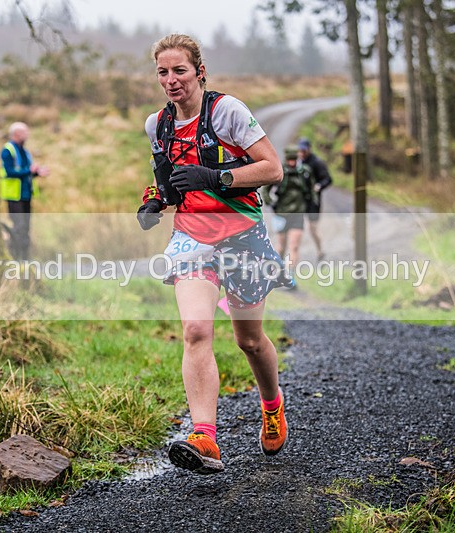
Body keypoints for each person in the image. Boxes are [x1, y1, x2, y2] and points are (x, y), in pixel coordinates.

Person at [136, 34, 292, 475]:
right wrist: (154, 202)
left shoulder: (226, 112)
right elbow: (167, 181)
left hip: (241, 233)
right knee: (196, 330)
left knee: (249, 340)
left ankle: (272, 405)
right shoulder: (158, 125)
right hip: (191, 237)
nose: (171, 80)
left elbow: (272, 168)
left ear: (199, 72)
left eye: (179, 71)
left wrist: (215, 176)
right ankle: (204, 437)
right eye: (163, 72)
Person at [0, 122, 48, 260]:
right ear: (16, 133)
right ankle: (14, 257)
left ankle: (25, 259)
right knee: (18, 227)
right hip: (14, 195)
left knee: (26, 228)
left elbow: (26, 172)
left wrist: (37, 172)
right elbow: (9, 172)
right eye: (24, 132)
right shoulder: (8, 150)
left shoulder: (25, 151)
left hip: (26, 194)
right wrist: (29, 170)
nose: (27, 135)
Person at [263, 144, 313, 272]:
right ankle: (277, 272)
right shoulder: (279, 171)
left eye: (294, 160)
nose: (292, 162)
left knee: (294, 247)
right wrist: (270, 202)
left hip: (298, 214)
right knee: (281, 247)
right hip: (281, 213)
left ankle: (289, 275)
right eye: (290, 160)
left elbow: (312, 191)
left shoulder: (304, 172)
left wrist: (311, 206)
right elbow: (266, 190)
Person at [297, 137, 332, 262]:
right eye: (300, 151)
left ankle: (320, 251)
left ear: (309, 149)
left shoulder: (317, 163)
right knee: (296, 228)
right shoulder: (299, 162)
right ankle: (295, 254)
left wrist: (318, 186)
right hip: (301, 200)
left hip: (313, 201)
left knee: (313, 228)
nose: (301, 153)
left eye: (304, 151)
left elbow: (328, 179)